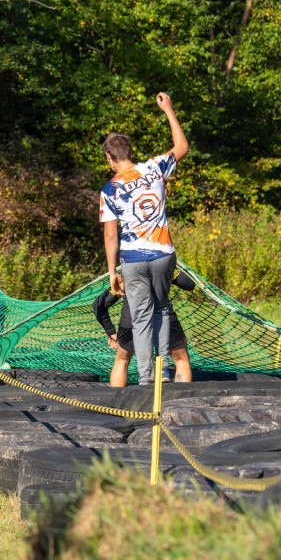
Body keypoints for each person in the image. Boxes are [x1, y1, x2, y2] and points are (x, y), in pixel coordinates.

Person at [99, 91, 189, 385]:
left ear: (110, 157)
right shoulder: (154, 167)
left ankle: (147, 379)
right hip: (164, 254)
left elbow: (111, 234)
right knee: (161, 308)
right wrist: (168, 110)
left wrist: (113, 272)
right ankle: (163, 373)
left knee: (140, 318)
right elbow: (182, 146)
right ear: (130, 151)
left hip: (133, 260)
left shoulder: (110, 189)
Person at [92, 270, 195, 387]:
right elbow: (189, 284)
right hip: (162, 319)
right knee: (181, 360)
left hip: (131, 320)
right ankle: (181, 403)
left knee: (122, 361)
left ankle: (115, 402)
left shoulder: (126, 273)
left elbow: (98, 305)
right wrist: (172, 271)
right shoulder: (164, 266)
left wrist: (111, 332)